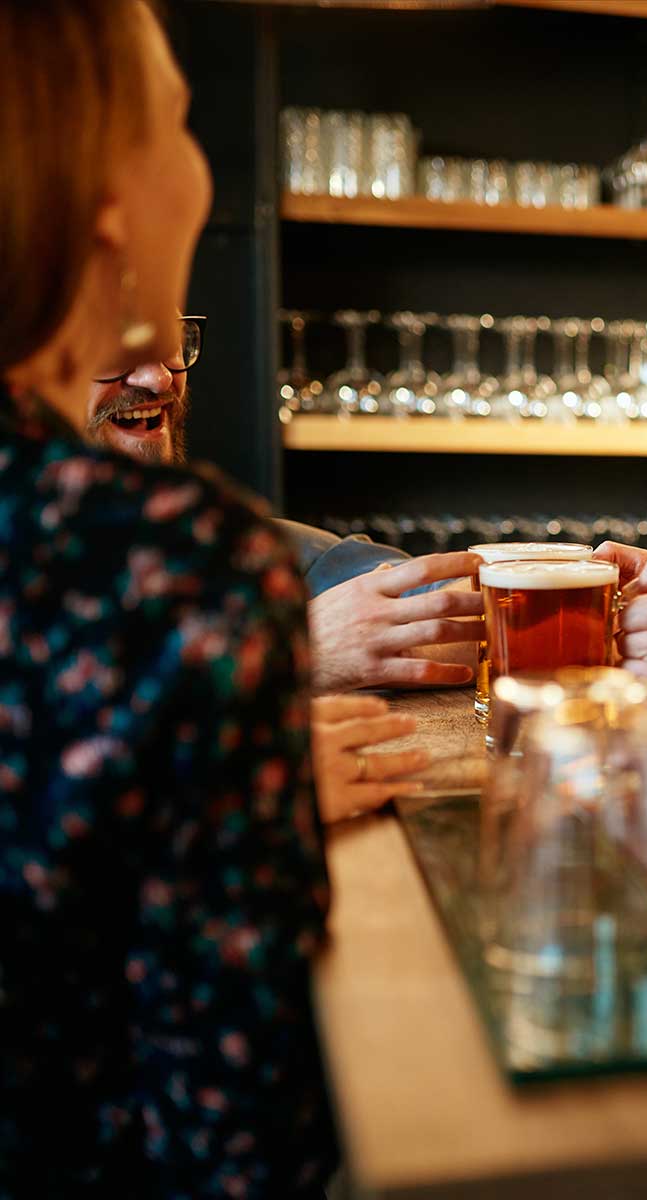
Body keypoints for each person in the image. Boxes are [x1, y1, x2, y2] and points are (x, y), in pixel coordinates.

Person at [0, 0, 337, 1192]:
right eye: (179, 124)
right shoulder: (175, 574)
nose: (201, 172)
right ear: (105, 195)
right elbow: (239, 1129)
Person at [86, 346, 484, 695]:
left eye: (168, 341)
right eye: (118, 345)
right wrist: (287, 653)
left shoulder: (250, 550)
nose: (159, 378)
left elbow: (479, 615)